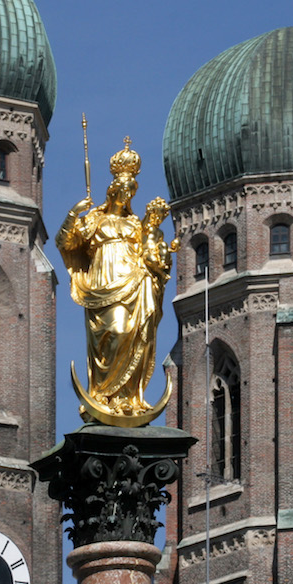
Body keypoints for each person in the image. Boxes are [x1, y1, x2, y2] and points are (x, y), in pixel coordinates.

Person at [56, 139, 173, 416]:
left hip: (134, 282)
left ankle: (128, 398)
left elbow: (150, 250)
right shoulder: (95, 220)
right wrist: (74, 213)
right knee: (115, 333)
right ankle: (103, 394)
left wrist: (158, 265)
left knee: (135, 334)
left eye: (131, 191)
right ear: (112, 191)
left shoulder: (134, 224)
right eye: (122, 190)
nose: (126, 195)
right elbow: (66, 243)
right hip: (103, 284)